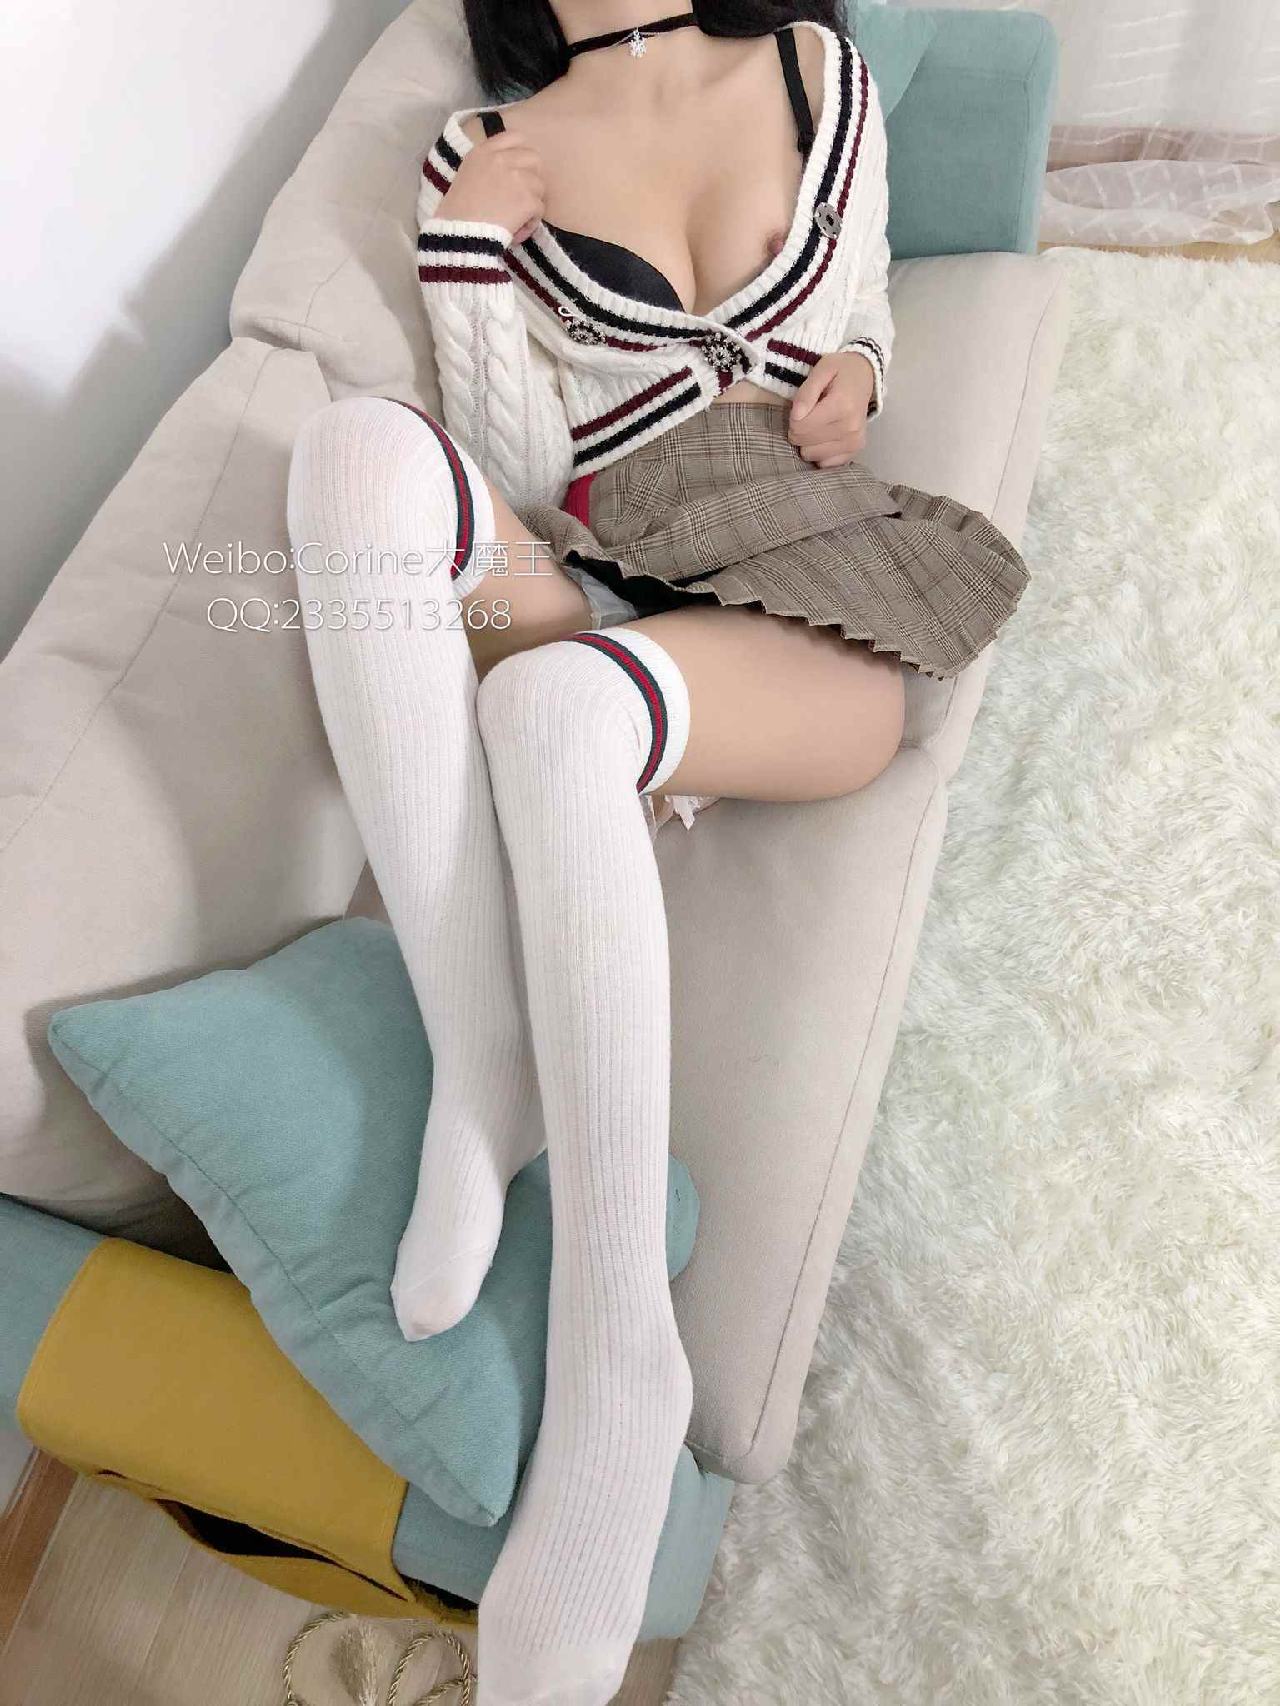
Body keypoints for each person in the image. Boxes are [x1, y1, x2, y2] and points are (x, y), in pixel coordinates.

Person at [285, 5, 1028, 1700]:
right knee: (351, 454)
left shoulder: (818, 73)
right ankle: (486, 1060)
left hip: (809, 621)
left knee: (552, 712)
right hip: (605, 572)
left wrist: (859, 376)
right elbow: (528, 477)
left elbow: (863, 301)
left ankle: (623, 1358)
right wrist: (471, 269)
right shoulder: (484, 151)